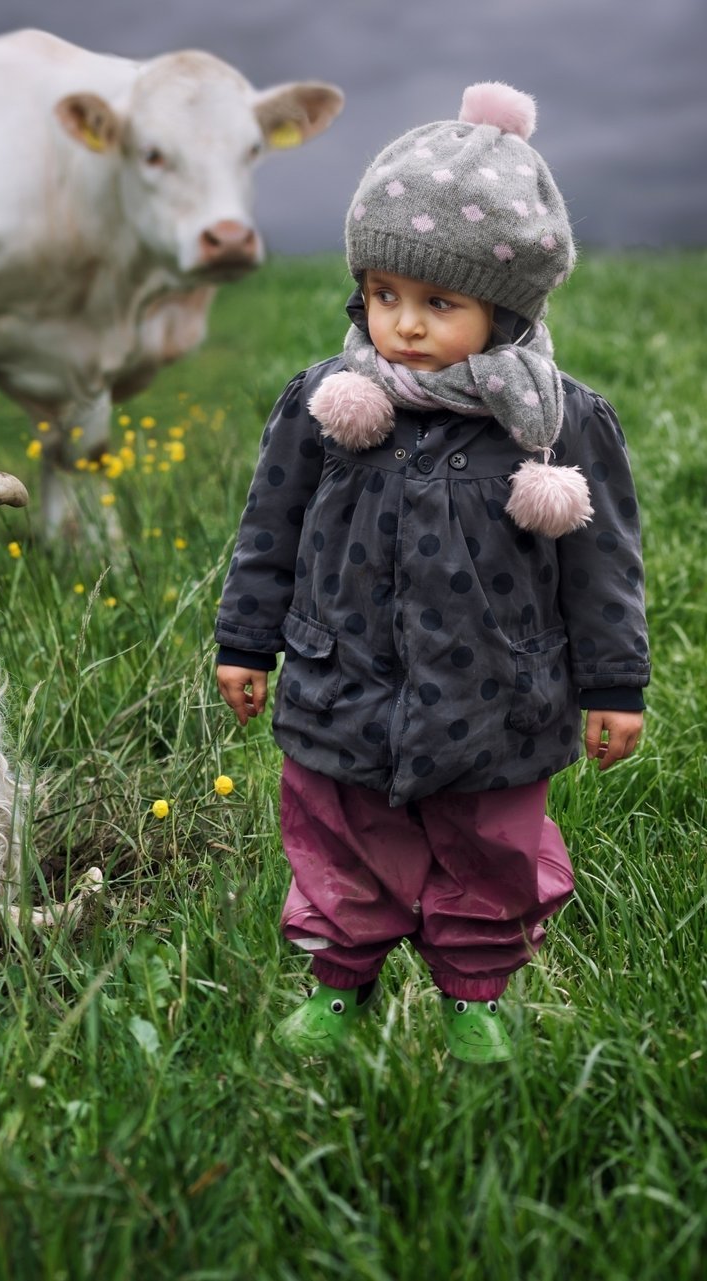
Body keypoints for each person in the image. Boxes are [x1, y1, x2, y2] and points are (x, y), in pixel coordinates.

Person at [212, 84, 649, 1064]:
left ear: (505, 309)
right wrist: (246, 639)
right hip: (341, 678)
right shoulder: (330, 401)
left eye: (438, 303)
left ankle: (476, 991)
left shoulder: (559, 423)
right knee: (336, 831)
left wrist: (614, 682)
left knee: (489, 840)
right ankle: (339, 983)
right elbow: (269, 526)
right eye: (383, 295)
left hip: (496, 690)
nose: (402, 325)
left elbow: (603, 561)